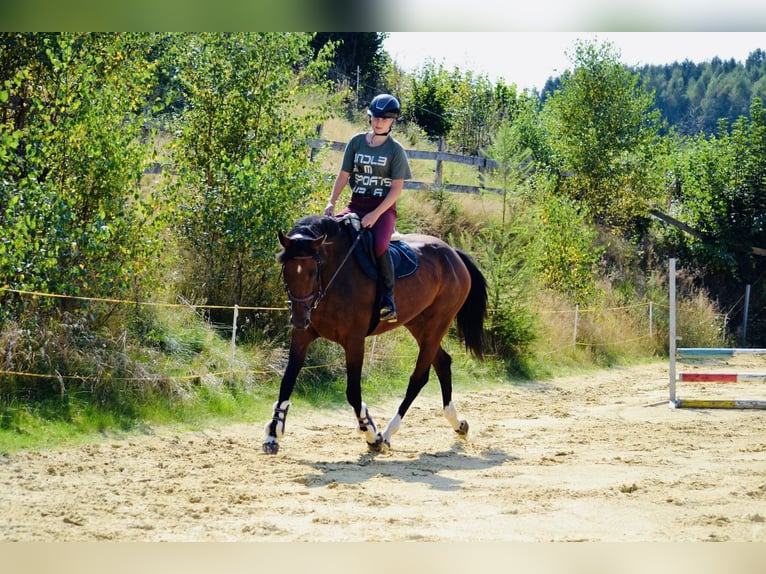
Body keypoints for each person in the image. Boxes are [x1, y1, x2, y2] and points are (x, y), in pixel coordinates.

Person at [324, 93, 412, 323]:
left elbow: (396, 190)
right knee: (330, 234)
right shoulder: (356, 142)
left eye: (384, 119)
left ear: (393, 121)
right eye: (375, 117)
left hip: (382, 208)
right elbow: (344, 175)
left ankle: (388, 300)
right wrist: (332, 201)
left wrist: (376, 214)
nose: (379, 122)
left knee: (381, 245)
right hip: (356, 202)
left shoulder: (395, 151)